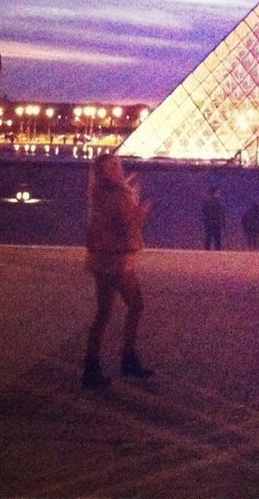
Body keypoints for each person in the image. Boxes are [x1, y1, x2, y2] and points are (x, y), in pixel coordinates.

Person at [82, 153, 152, 388]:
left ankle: (91, 366)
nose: (117, 169)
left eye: (117, 165)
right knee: (136, 305)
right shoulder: (118, 194)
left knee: (103, 312)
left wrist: (130, 194)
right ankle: (127, 358)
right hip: (117, 259)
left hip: (100, 258)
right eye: (112, 166)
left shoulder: (98, 193)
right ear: (105, 172)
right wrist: (142, 210)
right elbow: (126, 225)